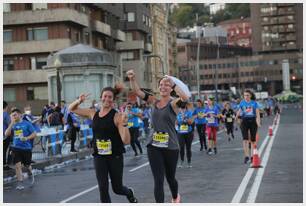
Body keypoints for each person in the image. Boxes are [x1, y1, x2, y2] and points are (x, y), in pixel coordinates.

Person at [127, 69, 190, 203]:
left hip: (171, 146)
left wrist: (173, 84)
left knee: (170, 178)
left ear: (171, 88)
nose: (163, 86)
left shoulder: (173, 103)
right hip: (154, 145)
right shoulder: (154, 101)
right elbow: (138, 92)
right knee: (158, 179)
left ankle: (175, 196)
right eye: (161, 84)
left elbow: (185, 98)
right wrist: (132, 79)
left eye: (166, 84)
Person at [68, 86, 138, 203]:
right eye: (105, 96)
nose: (107, 99)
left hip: (114, 156)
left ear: (113, 100)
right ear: (101, 98)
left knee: (117, 188)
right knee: (103, 188)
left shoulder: (117, 117)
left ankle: (129, 193)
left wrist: (125, 124)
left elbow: (126, 141)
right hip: (99, 156)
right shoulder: (92, 113)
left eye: (110, 97)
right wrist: (79, 101)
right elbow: (72, 109)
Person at [4, 108, 36, 190]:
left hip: (26, 148)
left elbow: (34, 134)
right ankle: (20, 183)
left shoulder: (27, 124)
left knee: (27, 165)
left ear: (20, 114)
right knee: (17, 166)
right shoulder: (12, 124)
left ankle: (29, 172)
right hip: (16, 148)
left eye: (15, 115)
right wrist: (11, 123)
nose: (14, 116)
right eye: (12, 115)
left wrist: (26, 138)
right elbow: (6, 134)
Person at [235, 89, 261, 164]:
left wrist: (258, 122)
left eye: (247, 95)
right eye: (245, 95)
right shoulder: (242, 103)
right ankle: (246, 156)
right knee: (245, 139)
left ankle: (253, 156)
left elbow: (257, 114)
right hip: (244, 121)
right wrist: (236, 119)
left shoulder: (254, 103)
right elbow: (239, 111)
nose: (246, 97)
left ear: (251, 96)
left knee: (253, 140)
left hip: (253, 121)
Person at [3, 101, 12, 170]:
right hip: (5, 135)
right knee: (4, 150)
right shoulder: (5, 114)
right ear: (6, 107)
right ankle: (4, 165)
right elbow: (10, 125)